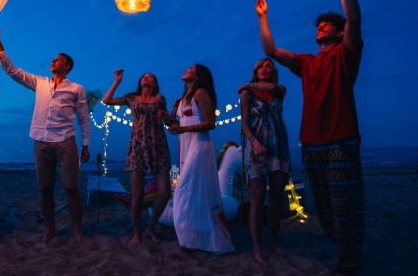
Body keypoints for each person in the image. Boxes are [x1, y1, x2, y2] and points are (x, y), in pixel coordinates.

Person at [256, 0, 364, 276]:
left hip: (340, 142)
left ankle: (347, 269)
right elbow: (272, 50)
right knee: (324, 210)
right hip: (312, 145)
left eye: (328, 24)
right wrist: (263, 17)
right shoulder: (307, 62)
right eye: (319, 25)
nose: (321, 27)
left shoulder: (345, 54)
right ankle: (344, 256)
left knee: (344, 207)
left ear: (339, 31)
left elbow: (354, 19)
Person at [0, 31, 90, 245]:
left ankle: (77, 230)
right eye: (53, 59)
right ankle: (50, 230)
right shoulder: (40, 83)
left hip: (66, 141)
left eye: (58, 60)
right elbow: (13, 71)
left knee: (71, 188)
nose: (53, 61)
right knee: (45, 188)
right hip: (41, 141)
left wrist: (85, 145)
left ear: (66, 67)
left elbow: (83, 118)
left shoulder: (76, 88)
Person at [159, 64, 234, 254]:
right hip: (185, 146)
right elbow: (178, 123)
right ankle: (195, 239)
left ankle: (196, 238)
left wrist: (182, 128)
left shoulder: (200, 93)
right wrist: (168, 118)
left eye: (190, 68)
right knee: (195, 191)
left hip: (199, 145)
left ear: (198, 76)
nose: (185, 69)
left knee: (183, 189)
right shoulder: (182, 99)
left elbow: (211, 123)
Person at [102, 70, 172, 245]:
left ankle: (151, 227)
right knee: (138, 193)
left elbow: (168, 121)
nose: (146, 77)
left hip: (158, 146)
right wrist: (117, 82)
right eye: (143, 76)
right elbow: (106, 101)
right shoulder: (131, 98)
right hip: (137, 147)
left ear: (154, 84)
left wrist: (168, 117)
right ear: (140, 82)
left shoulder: (160, 99)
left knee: (164, 193)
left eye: (150, 76)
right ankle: (136, 232)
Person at [238, 58, 292, 265]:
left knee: (277, 195)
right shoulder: (247, 94)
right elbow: (244, 123)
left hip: (279, 146)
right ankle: (256, 247)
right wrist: (253, 141)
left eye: (268, 66)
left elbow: (275, 88)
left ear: (273, 72)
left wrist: (249, 83)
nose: (265, 68)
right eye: (261, 66)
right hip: (257, 147)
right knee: (257, 196)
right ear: (255, 70)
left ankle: (272, 240)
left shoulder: (280, 90)